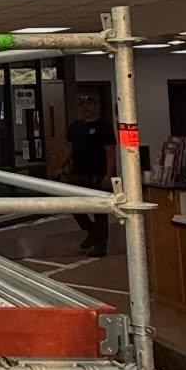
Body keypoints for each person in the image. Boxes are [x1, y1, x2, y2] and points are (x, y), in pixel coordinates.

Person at [64, 93, 114, 257]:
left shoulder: (104, 126)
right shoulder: (75, 127)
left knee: (99, 210)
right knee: (73, 206)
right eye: (82, 104)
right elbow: (70, 149)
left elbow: (110, 152)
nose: (85, 107)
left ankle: (100, 245)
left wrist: (108, 175)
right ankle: (92, 231)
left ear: (95, 106)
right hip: (78, 173)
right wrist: (61, 166)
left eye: (89, 104)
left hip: (97, 174)